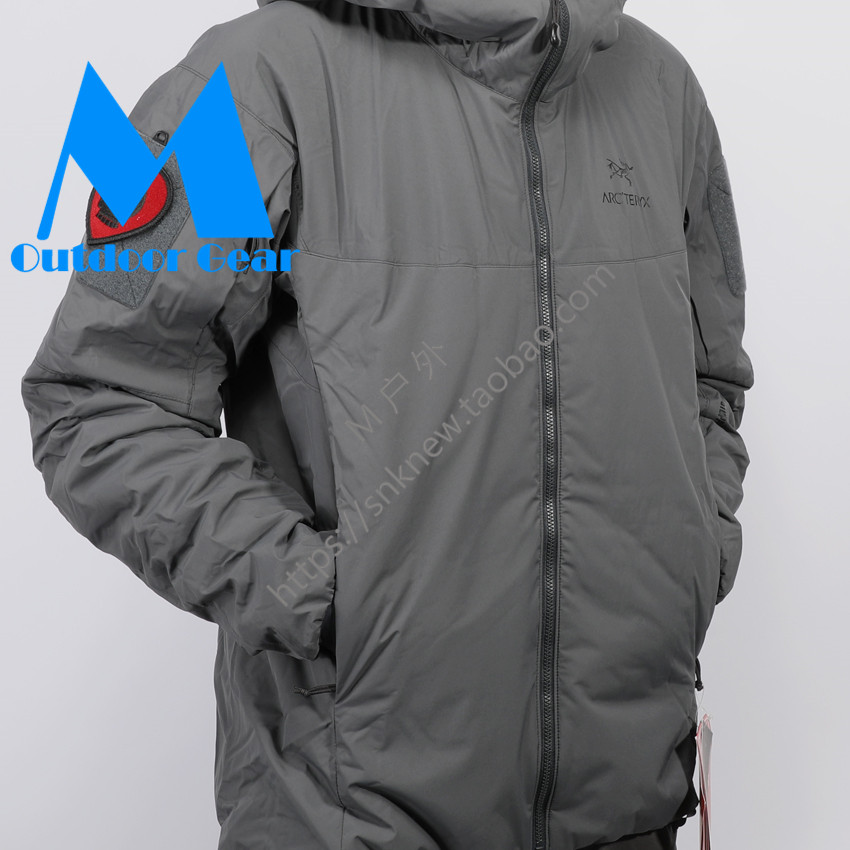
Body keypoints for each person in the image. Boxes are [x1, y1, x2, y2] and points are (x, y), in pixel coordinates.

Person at [21, 1, 754, 848]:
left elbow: (705, 377)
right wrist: (325, 594)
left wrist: (691, 555)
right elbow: (100, 396)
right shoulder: (255, 81)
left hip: (630, 803)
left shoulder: (656, 86)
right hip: (351, 811)